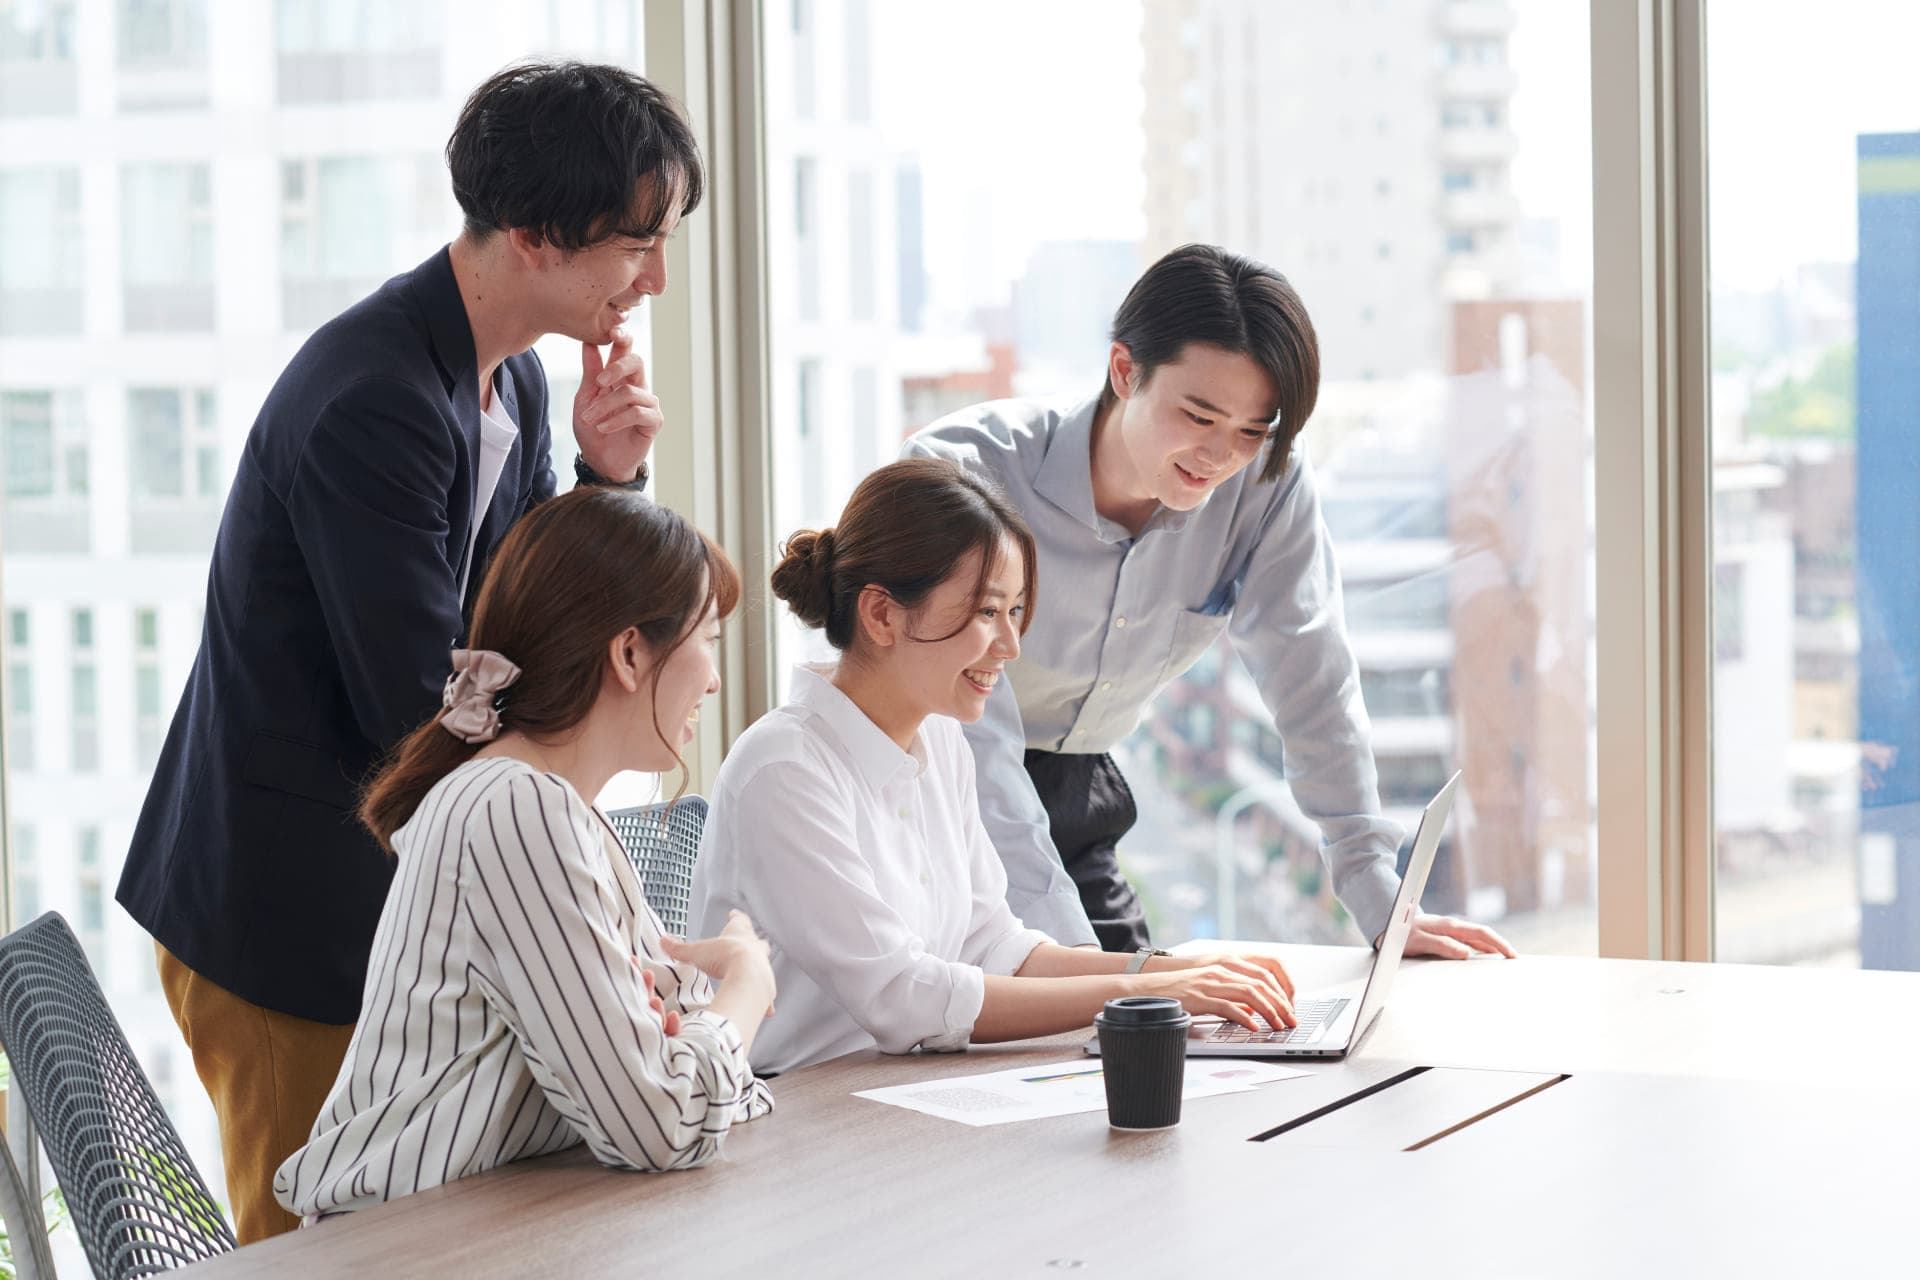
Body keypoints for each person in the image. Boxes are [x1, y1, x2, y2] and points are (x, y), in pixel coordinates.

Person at [115, 61, 699, 1241]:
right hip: (289, 917)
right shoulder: (374, 398)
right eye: (638, 243)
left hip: (379, 896)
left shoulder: (516, 384)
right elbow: (423, 701)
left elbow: (520, 618)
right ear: (536, 234)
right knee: (322, 1257)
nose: (656, 277)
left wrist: (604, 477)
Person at [904, 243, 1517, 962]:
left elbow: (1312, 674)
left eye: (1252, 430)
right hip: (928, 792)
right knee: (1024, 1031)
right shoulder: (968, 477)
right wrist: (1085, 974)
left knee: (1152, 1042)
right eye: (1198, 417)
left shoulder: (1265, 485)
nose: (1220, 457)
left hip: (1080, 791)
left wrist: (1379, 899)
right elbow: (977, 752)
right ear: (1125, 371)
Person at [690, 458, 1298, 1074]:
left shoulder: (942, 738)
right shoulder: (785, 769)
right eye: (987, 612)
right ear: (881, 615)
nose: (1009, 646)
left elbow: (995, 944)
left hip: (899, 1091)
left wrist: (1175, 971)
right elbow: (903, 998)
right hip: (798, 1113)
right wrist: (1148, 992)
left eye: (1015, 612)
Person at [276, 486, 776, 1220]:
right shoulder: (519, 809)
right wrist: (748, 986)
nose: (714, 677)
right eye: (707, 641)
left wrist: (681, 1043)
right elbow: (661, 1119)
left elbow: (686, 1071)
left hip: (468, 1226)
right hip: (401, 1250)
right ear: (631, 652)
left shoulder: (552, 810)